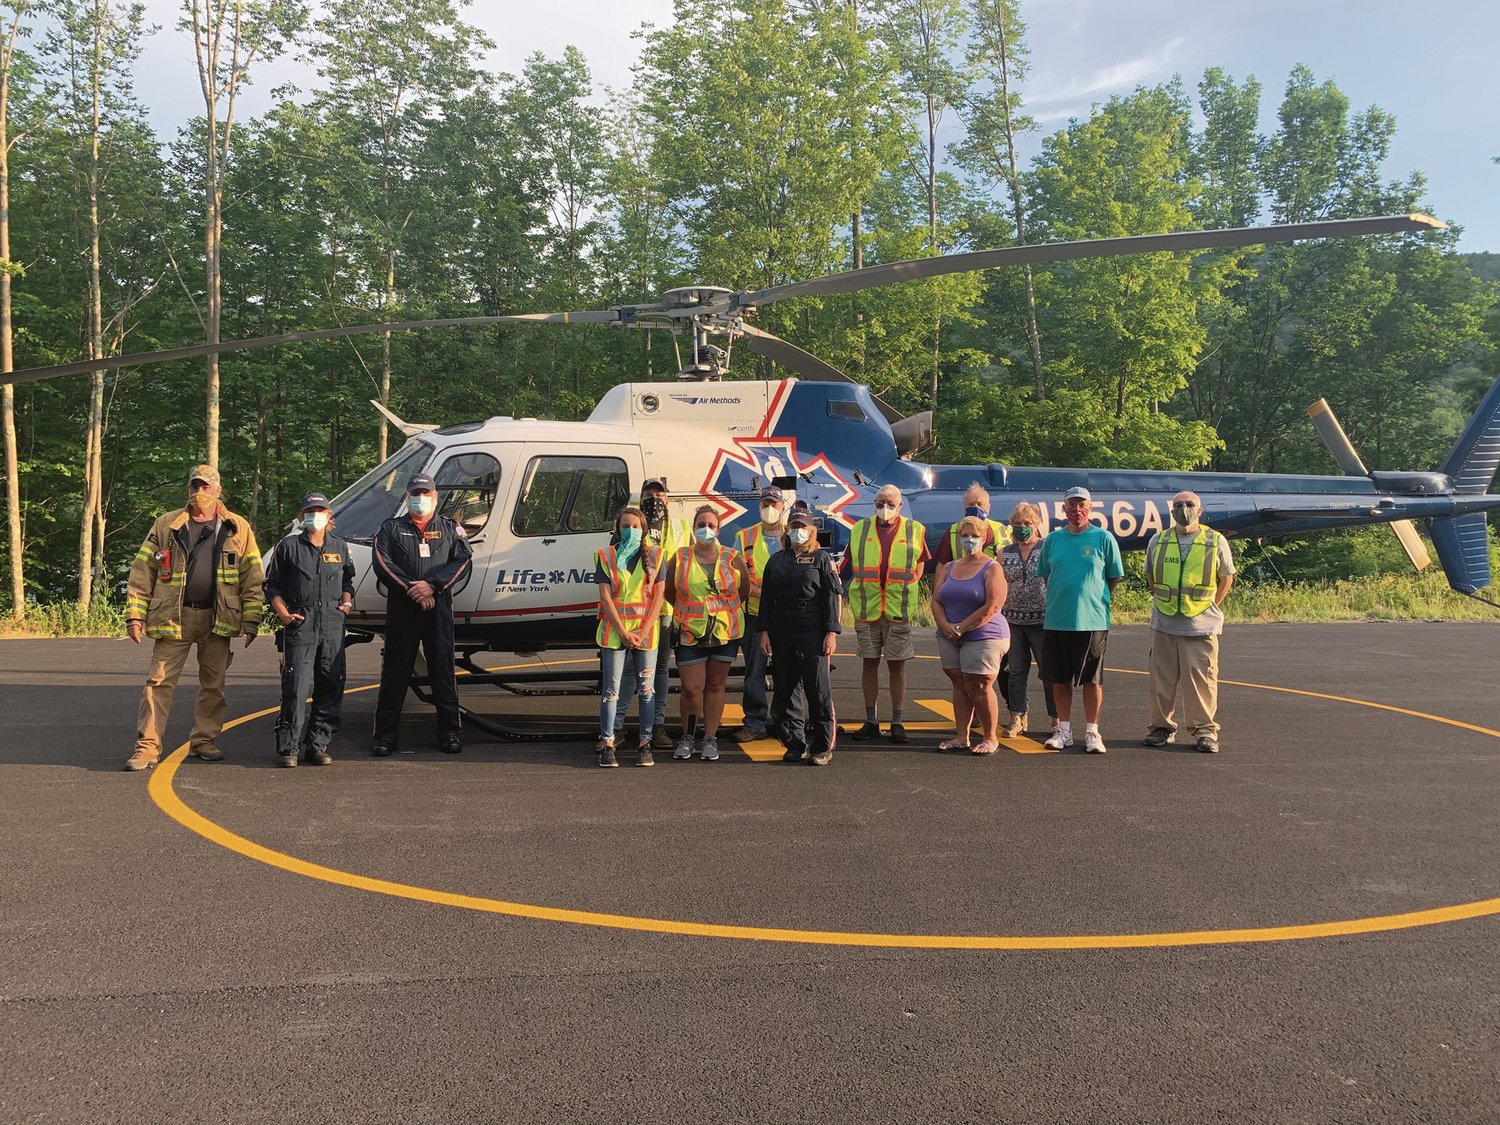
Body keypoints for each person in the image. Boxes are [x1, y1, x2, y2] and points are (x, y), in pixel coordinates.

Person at [122, 464, 264, 771]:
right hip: (173, 617)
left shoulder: (238, 527)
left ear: (218, 490)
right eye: (195, 487)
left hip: (218, 619)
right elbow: (141, 571)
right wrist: (135, 616)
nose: (200, 493)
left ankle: (204, 740)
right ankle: (147, 747)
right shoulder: (166, 525)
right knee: (157, 683)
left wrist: (251, 619)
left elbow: (252, 576)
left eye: (206, 487)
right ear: (189, 489)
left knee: (213, 686)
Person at [371, 473, 472, 756]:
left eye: (426, 494)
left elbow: (463, 561)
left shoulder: (451, 528)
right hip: (403, 610)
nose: (420, 499)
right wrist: (411, 589)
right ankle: (385, 737)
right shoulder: (390, 529)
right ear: (407, 497)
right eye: (415, 494)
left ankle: (449, 732)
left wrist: (433, 587)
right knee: (395, 673)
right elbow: (382, 563)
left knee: (443, 671)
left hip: (437, 608)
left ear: (435, 497)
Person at [264, 493, 356, 767]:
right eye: (309, 511)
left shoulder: (340, 547)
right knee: (295, 686)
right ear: (302, 516)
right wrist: (282, 613)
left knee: (330, 684)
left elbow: (348, 580)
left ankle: (318, 744)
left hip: (332, 622)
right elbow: (271, 585)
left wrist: (347, 602)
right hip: (300, 620)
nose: (314, 515)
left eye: (320, 510)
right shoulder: (288, 546)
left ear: (329, 516)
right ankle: (288, 748)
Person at [1142, 490, 1236, 753]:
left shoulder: (1214, 541)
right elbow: (1150, 575)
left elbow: (1226, 577)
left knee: (1202, 681)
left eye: (1189, 504)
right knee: (1161, 679)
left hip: (1200, 625)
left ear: (1200, 511)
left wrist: (1212, 604)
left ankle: (1204, 731)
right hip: (1164, 622)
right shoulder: (1158, 541)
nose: (1184, 508)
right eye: (1179, 505)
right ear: (1172, 511)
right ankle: (1161, 728)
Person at [1035, 486, 1124, 754]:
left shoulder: (1103, 538)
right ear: (1063, 509)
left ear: (1091, 507)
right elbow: (1046, 575)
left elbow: (1113, 577)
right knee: (1060, 679)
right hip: (1057, 620)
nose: (1077, 510)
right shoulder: (1052, 540)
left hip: (1092, 621)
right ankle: (1063, 730)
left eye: (1082, 504)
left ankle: (1092, 732)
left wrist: (1094, 599)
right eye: (1072, 505)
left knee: (1092, 680)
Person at [840, 484, 930, 744]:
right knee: (869, 663)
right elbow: (850, 564)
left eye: (890, 503)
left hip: (896, 609)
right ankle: (871, 720)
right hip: (868, 609)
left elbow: (919, 567)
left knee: (896, 666)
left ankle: (897, 721)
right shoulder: (860, 529)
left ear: (900, 505)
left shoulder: (914, 530)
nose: (884, 508)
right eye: (880, 502)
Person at [757, 507, 841, 765]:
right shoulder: (776, 561)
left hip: (812, 631)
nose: (797, 531)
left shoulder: (821, 560)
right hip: (781, 631)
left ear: (811, 531)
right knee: (786, 690)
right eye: (793, 526)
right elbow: (766, 600)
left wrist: (831, 632)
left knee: (817, 690)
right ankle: (795, 742)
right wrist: (764, 632)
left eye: (802, 527)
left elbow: (832, 597)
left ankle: (822, 746)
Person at [664, 505, 748, 762]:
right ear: (693, 526)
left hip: (724, 633)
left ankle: (710, 738)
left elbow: (742, 591)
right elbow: (669, 591)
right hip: (690, 632)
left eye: (711, 525)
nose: (706, 529)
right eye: (701, 524)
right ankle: (688, 737)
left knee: (715, 685)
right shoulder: (679, 557)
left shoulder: (732, 557)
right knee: (691, 688)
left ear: (718, 529)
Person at [616, 477, 690, 751]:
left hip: (666, 609)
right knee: (630, 670)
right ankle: (617, 726)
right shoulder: (632, 523)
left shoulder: (681, 527)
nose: (655, 498)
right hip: (636, 610)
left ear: (668, 498)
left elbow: (686, 564)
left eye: (660, 494)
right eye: (650, 493)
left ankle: (657, 725)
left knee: (659, 669)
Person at [931, 515, 1010, 755]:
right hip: (949, 635)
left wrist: (962, 627)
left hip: (984, 635)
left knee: (980, 686)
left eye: (974, 536)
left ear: (984, 538)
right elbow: (936, 599)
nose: (969, 540)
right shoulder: (950, 566)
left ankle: (989, 738)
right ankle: (961, 737)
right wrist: (945, 625)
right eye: (965, 536)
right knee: (959, 684)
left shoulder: (992, 567)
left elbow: (993, 605)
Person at [595, 506, 666, 768]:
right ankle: (607, 742)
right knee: (610, 692)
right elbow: (605, 596)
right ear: (617, 529)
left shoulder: (657, 556)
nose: (631, 530)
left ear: (644, 530)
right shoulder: (605, 555)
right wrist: (624, 632)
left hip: (645, 633)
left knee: (646, 690)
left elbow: (658, 598)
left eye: (636, 526)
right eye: (626, 526)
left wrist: (642, 632)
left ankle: (645, 743)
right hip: (615, 632)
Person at [731, 485, 799, 743]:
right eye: (765, 504)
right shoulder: (744, 537)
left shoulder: (793, 538)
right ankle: (754, 722)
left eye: (774, 504)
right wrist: (765, 594)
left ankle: (786, 721)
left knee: (786, 672)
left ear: (783, 508)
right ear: (759, 507)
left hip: (785, 617)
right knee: (754, 672)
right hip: (754, 616)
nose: (770, 509)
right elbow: (738, 577)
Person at [998, 501, 1057, 739]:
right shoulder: (1005, 552)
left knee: (1049, 672)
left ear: (1037, 524)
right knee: (1016, 672)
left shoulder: (1047, 548)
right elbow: (999, 584)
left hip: (1043, 620)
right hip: (1012, 620)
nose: (1022, 527)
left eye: (1027, 523)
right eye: (1017, 523)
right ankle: (1017, 718)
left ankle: (1056, 720)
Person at [932, 482, 1007, 565]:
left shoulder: (1002, 530)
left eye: (979, 504)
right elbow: (942, 566)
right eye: (971, 504)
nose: (976, 507)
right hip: (962, 576)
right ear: (964, 508)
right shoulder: (952, 532)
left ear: (988, 507)